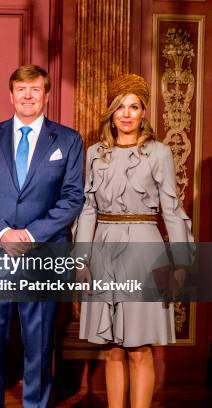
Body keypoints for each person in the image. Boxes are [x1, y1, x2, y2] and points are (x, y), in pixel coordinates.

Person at [0, 64, 84, 407]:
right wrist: (2, 232)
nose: (28, 96)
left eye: (35, 89)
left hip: (43, 254)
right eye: (21, 89)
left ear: (46, 95)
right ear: (11, 95)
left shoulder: (68, 140)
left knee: (40, 344)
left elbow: (73, 196)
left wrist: (30, 234)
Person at [73, 74, 193, 408]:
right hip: (104, 247)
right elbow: (87, 208)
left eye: (134, 107)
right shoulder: (95, 153)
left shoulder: (159, 153)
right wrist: (81, 259)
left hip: (144, 249)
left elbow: (171, 208)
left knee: (139, 348)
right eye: (120, 107)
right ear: (111, 113)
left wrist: (181, 262)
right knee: (111, 346)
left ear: (143, 113)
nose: (126, 114)